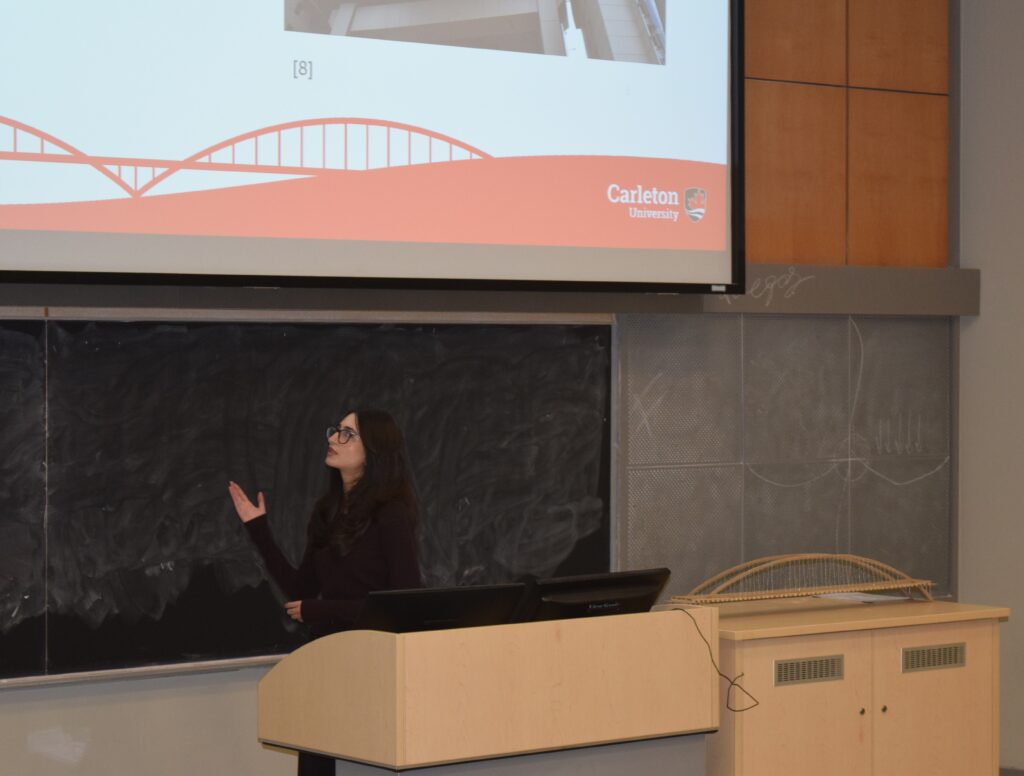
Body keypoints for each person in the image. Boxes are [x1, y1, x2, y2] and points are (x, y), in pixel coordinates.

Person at [228, 408, 421, 775]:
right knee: (315, 761)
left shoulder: (390, 515)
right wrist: (258, 530)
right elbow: (300, 588)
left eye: (347, 434)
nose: (332, 438)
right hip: (326, 663)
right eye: (335, 430)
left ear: (374, 450)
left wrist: (323, 610)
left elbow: (404, 602)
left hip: (370, 668)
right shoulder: (326, 511)